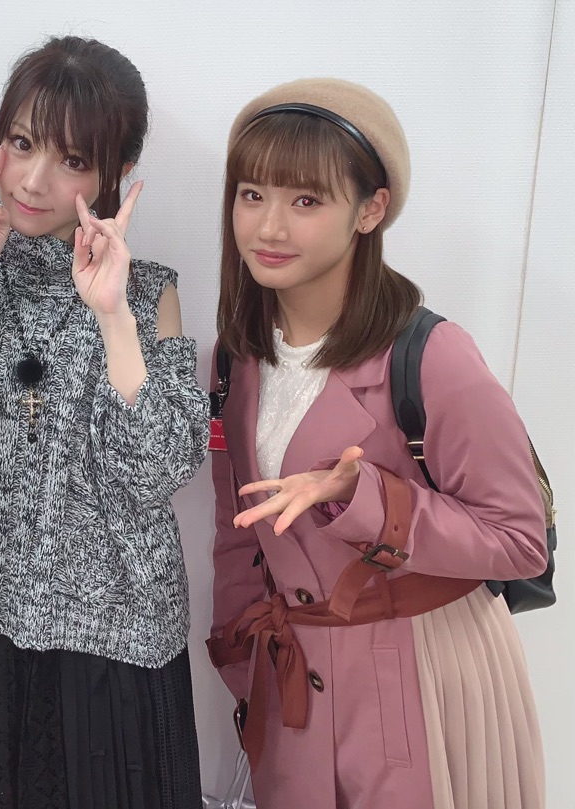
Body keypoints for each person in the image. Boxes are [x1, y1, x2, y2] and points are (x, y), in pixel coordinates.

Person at [0, 35, 208, 809]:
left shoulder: (146, 292)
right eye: (21, 143)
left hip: (115, 648)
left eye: (72, 159)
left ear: (115, 171)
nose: (32, 179)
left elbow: (153, 472)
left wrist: (113, 315)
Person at [206, 78, 547, 809]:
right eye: (252, 194)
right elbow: (236, 534)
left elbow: (521, 540)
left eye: (306, 200)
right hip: (293, 690)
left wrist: (363, 499)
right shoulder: (234, 359)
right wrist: (242, 662)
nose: (269, 226)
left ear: (371, 209)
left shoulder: (432, 356)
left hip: (424, 677)